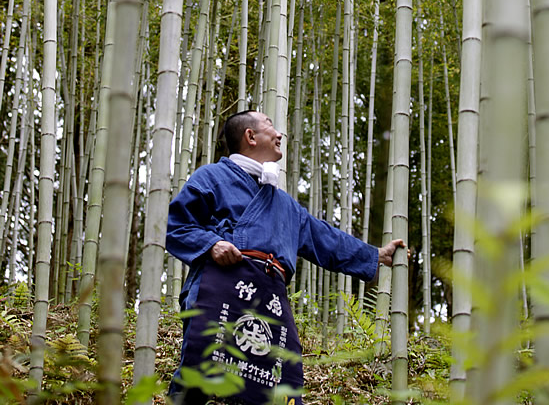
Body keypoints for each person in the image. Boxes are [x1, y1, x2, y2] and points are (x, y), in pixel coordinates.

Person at [166, 110, 406, 405]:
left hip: (270, 297)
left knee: (277, 388)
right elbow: (178, 226)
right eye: (270, 127)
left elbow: (326, 239)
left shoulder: (284, 204)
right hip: (221, 285)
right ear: (250, 137)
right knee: (199, 373)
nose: (280, 134)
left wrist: (375, 256)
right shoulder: (212, 177)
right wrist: (212, 243)